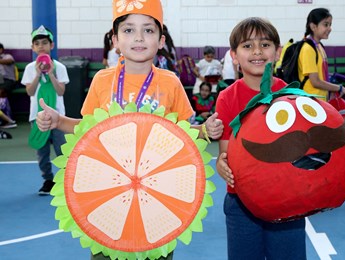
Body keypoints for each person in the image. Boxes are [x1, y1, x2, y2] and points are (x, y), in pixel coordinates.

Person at [35, 0, 223, 259]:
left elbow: (184, 134)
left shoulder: (170, 82)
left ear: (160, 40)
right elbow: (88, 131)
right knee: (105, 251)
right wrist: (59, 121)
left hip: (157, 193)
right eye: (128, 30)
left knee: (155, 250)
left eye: (148, 30)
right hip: (108, 191)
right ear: (115, 40)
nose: (139, 37)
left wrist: (205, 130)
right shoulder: (103, 80)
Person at [215, 17, 345, 260]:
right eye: (247, 46)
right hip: (241, 203)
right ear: (234, 55)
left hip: (289, 199)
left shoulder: (291, 92)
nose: (257, 52)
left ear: (278, 51)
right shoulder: (228, 97)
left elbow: (316, 137)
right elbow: (226, 152)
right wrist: (222, 164)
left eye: (265, 45)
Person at [21, 25, 70, 196]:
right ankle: (48, 180)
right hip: (38, 117)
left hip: (58, 118)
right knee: (41, 152)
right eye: (37, 43)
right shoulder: (29, 68)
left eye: (44, 42)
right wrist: (36, 74)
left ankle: (65, 181)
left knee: (61, 149)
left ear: (52, 45)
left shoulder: (59, 67)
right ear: (33, 48)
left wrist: (50, 74)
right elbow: (30, 91)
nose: (41, 46)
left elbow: (60, 91)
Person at [298, 8, 345, 101]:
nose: (329, 28)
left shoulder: (319, 46)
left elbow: (320, 74)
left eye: (330, 25)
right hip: (311, 101)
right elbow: (315, 82)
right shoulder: (307, 48)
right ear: (313, 26)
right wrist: (339, 88)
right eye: (325, 24)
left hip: (321, 100)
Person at [0, 43, 16, 123]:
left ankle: (6, 116)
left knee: (2, 92)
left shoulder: (8, 56)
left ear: (1, 49)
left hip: (9, 80)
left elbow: (9, 61)